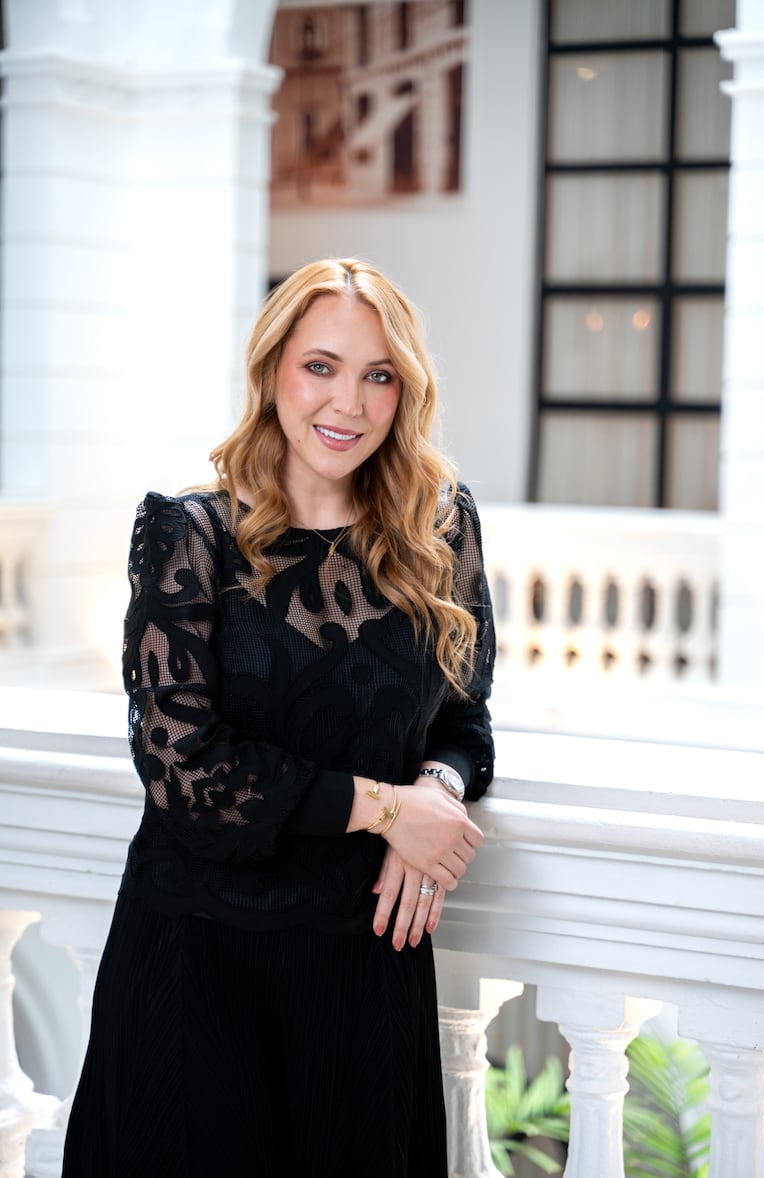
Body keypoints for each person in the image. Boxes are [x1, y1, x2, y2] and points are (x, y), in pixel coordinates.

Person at [62, 257, 495, 1178]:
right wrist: (390, 810)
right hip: (197, 976)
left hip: (366, 973)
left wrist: (438, 793)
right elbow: (186, 771)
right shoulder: (190, 534)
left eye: (379, 375)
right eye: (320, 367)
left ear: (405, 393)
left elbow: (465, 720)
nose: (348, 403)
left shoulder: (441, 529)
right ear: (271, 372)